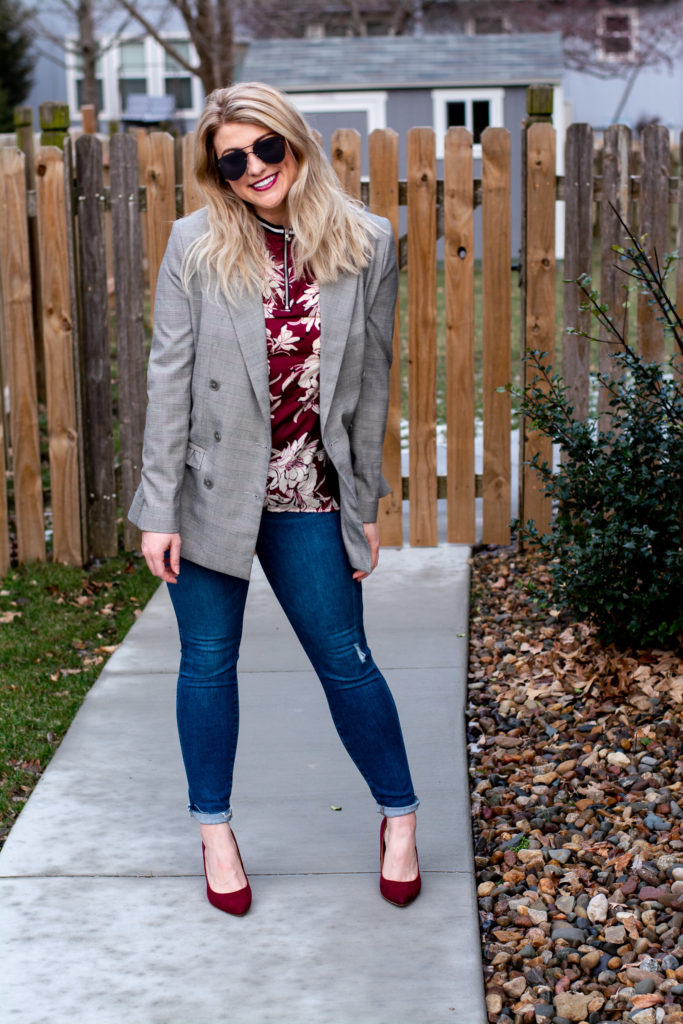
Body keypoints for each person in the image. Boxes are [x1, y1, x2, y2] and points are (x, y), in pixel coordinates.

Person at [129, 81, 420, 916]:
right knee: (207, 665)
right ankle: (214, 832)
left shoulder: (367, 240)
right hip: (210, 491)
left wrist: (363, 501)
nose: (254, 167)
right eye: (233, 159)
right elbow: (169, 380)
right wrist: (157, 508)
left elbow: (369, 383)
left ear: (295, 143)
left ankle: (398, 819)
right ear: (214, 172)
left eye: (267, 148)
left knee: (346, 661)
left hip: (310, 490)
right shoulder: (194, 244)